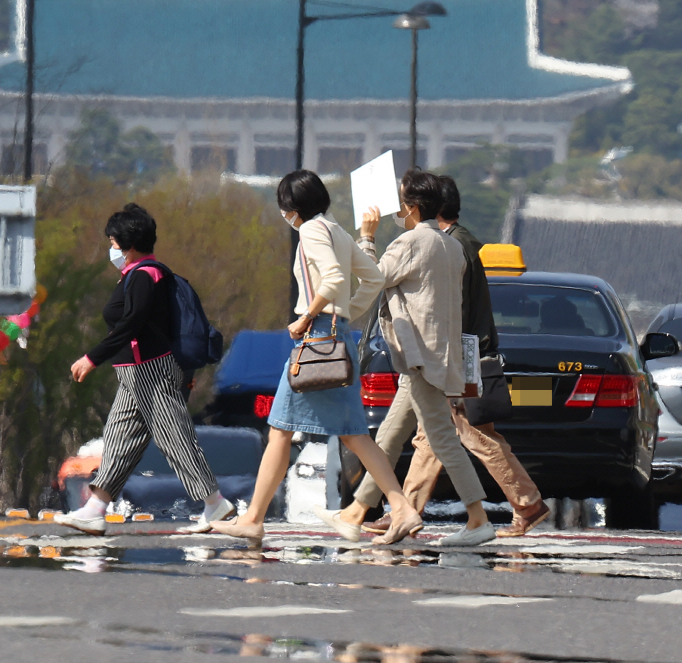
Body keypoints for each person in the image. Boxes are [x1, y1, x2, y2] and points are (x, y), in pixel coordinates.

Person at [210, 170, 423, 545]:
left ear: (292, 206)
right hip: (335, 338)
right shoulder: (337, 230)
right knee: (354, 434)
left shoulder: (310, 231)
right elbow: (371, 278)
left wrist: (308, 316)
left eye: (284, 207)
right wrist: (346, 314)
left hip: (315, 340)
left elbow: (335, 278)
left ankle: (254, 519)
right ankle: (401, 507)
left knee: (280, 428)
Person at [371, 175, 551, 539]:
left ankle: (526, 502)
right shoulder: (458, 242)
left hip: (460, 354)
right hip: (461, 351)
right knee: (434, 436)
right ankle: (407, 509)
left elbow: (448, 309)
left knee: (468, 434)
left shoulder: (450, 245)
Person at [333, 169, 496, 547]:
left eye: (401, 201)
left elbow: (372, 278)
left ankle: (478, 518)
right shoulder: (451, 246)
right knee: (389, 436)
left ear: (411, 207)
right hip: (434, 355)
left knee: (441, 439)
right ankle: (356, 511)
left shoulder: (408, 243)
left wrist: (367, 237)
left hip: (420, 356)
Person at [57, 203, 232, 534]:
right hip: (133, 374)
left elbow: (130, 325)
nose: (112, 250)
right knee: (119, 439)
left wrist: (92, 357)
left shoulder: (144, 275)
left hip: (150, 371)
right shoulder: (137, 275)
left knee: (174, 438)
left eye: (113, 243)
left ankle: (214, 503)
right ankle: (95, 508)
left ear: (129, 243)